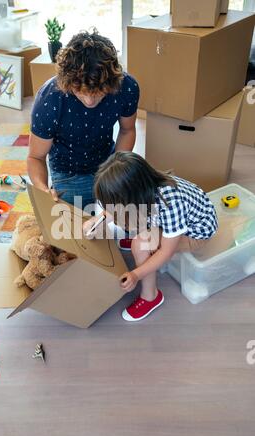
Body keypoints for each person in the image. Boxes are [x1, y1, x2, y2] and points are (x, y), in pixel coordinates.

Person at [83, 152, 218, 322]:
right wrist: (96, 221)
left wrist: (136, 274)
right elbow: (115, 210)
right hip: (169, 221)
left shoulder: (170, 202)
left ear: (132, 196)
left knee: (140, 245)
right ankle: (144, 244)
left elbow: (166, 252)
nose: (112, 208)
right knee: (133, 225)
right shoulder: (143, 183)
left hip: (195, 233)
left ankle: (151, 296)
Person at [27, 29, 140, 212]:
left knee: (130, 220)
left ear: (112, 83)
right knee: (71, 233)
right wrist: (43, 189)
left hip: (108, 163)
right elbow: (36, 157)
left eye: (97, 93)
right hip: (67, 171)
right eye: (81, 91)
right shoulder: (49, 99)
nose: (89, 101)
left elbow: (127, 130)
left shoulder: (126, 87)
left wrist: (117, 171)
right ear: (67, 82)